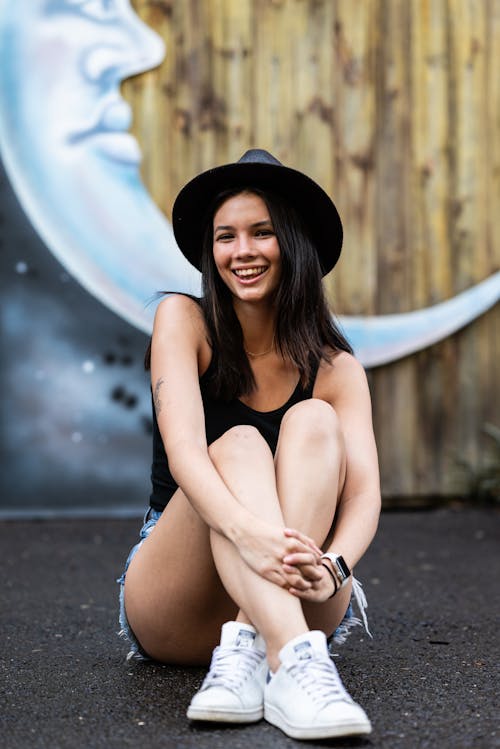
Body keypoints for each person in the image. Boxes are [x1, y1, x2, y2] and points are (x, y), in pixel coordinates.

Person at [118, 149, 381, 740]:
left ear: (294, 243)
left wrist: (336, 568)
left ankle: (250, 651)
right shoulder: (181, 320)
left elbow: (365, 496)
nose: (242, 252)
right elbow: (186, 453)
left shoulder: (335, 367)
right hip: (179, 598)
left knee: (314, 421)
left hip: (302, 586)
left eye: (262, 233)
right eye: (225, 237)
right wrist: (246, 532)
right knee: (234, 443)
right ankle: (295, 661)